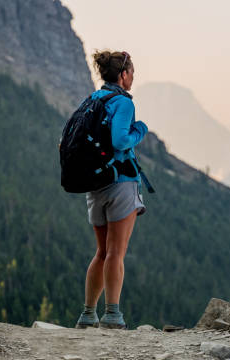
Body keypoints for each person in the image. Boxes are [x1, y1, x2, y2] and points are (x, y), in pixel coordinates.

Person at [75, 50, 148, 329]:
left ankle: (87, 314)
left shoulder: (92, 100)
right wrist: (140, 130)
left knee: (101, 252)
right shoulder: (123, 103)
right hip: (120, 184)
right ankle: (113, 315)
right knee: (116, 253)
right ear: (124, 74)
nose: (133, 78)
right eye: (132, 73)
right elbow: (120, 140)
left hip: (94, 185)